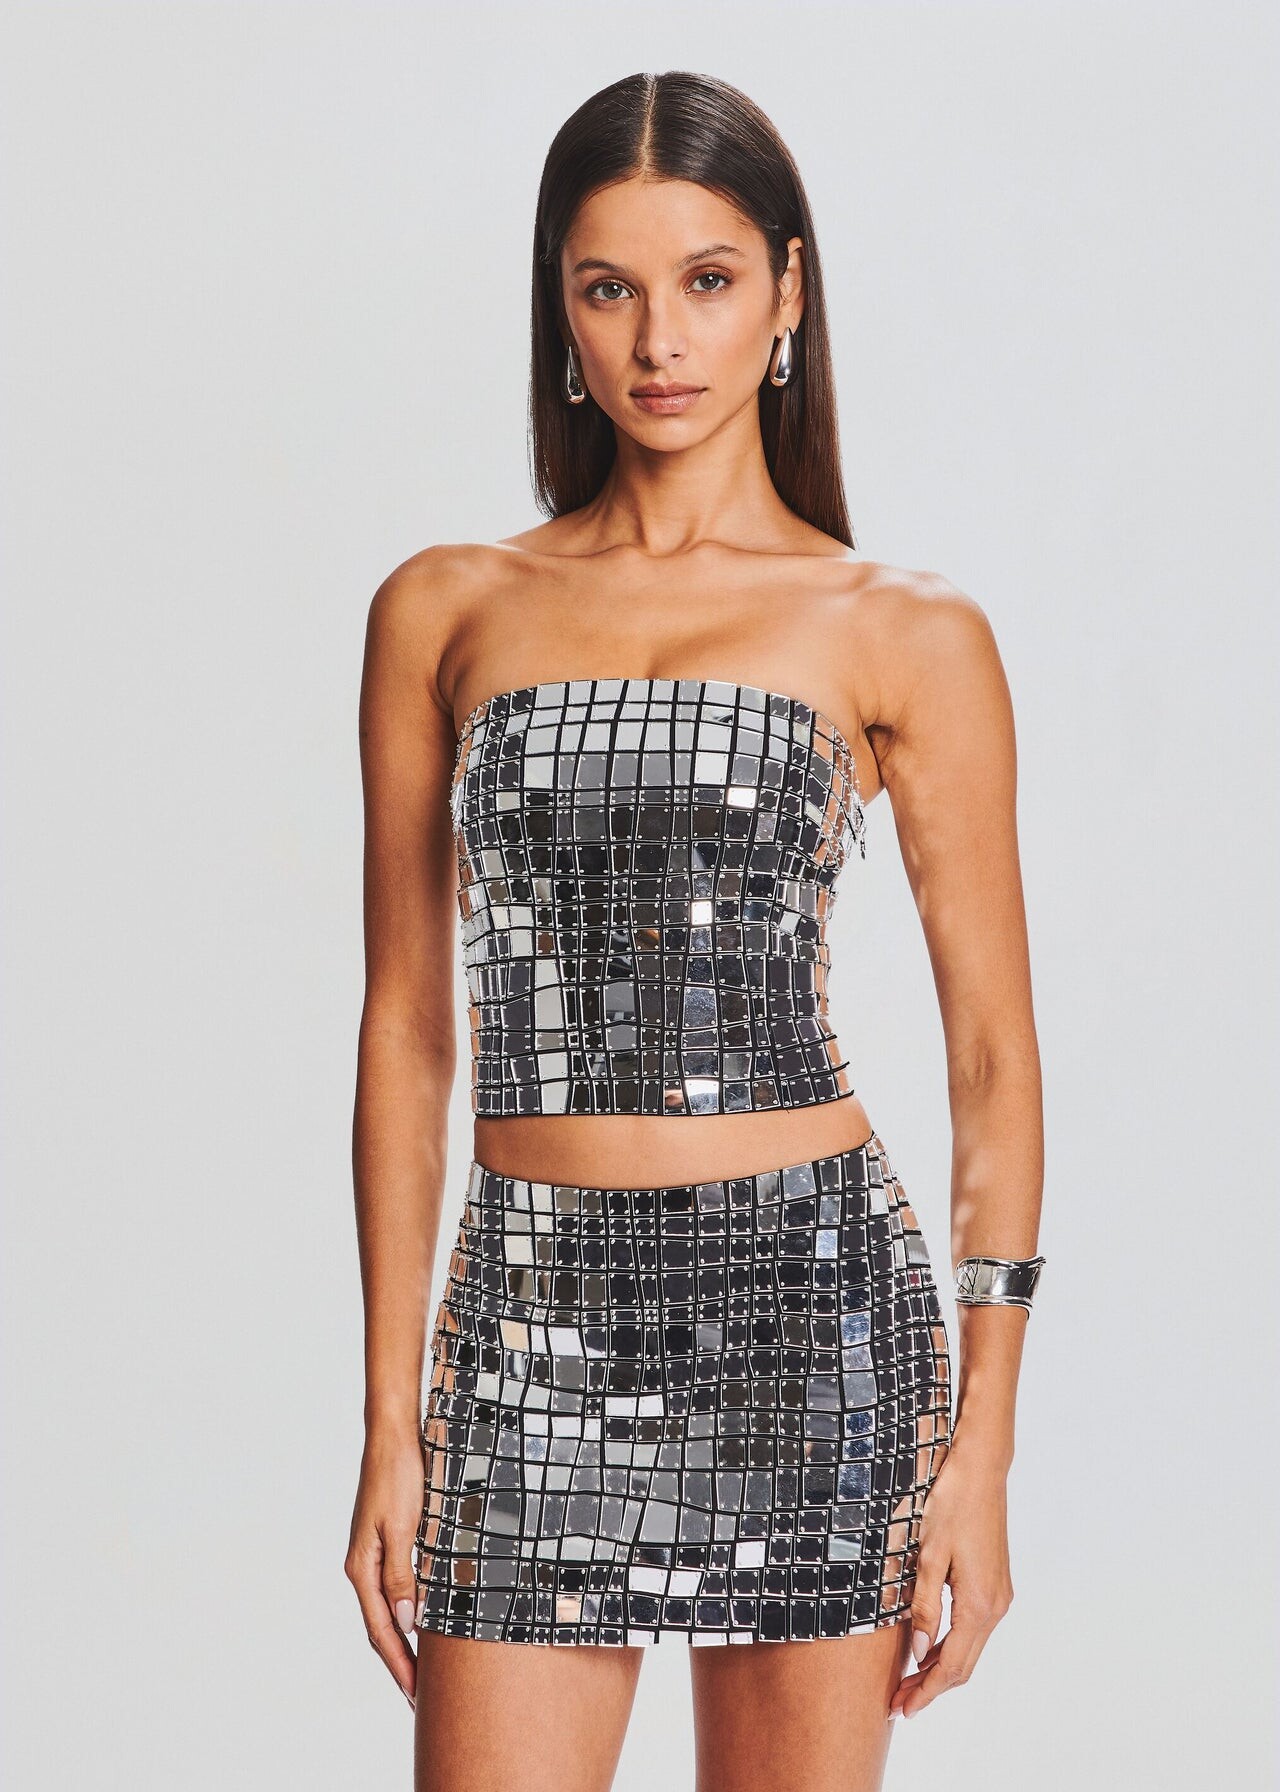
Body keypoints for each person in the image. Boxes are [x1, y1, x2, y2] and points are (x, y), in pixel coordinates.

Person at [346, 68, 1046, 1792]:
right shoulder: (445, 607)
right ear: (560, 309)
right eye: (610, 288)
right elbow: (410, 1027)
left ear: (788, 293)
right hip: (528, 1318)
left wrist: (984, 1447)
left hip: (810, 1321)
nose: (661, 339)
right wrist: (389, 1416)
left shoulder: (901, 628)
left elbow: (990, 1058)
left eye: (709, 280)